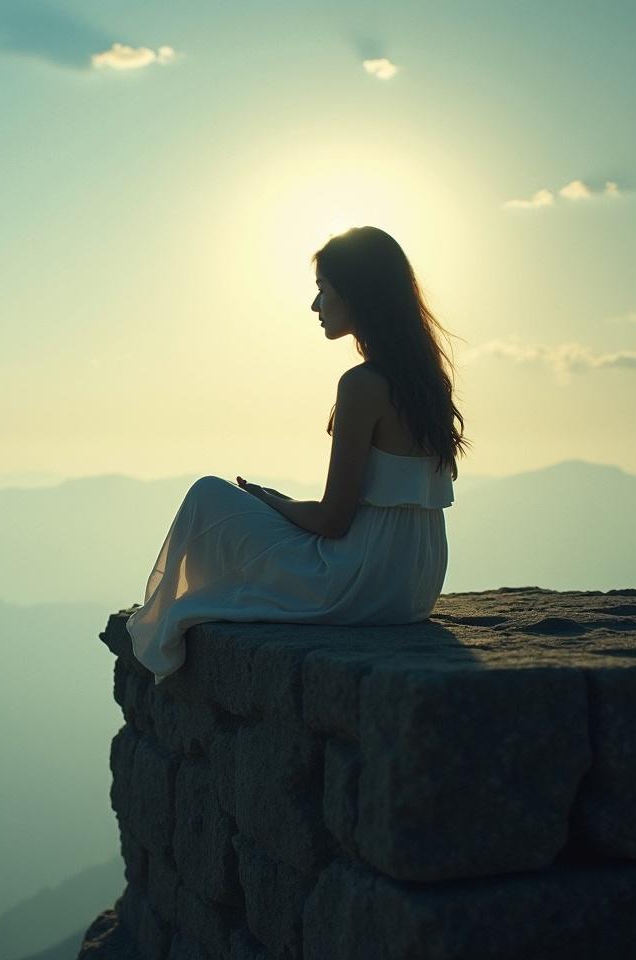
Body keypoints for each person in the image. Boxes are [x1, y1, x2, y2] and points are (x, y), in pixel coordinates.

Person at [125, 225, 470, 685]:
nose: (315, 306)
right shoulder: (426, 380)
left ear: (356, 294)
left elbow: (333, 522)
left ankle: (163, 637)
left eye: (322, 291)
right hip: (413, 586)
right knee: (235, 504)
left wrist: (273, 505)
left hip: (359, 584)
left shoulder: (362, 385)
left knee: (209, 494)